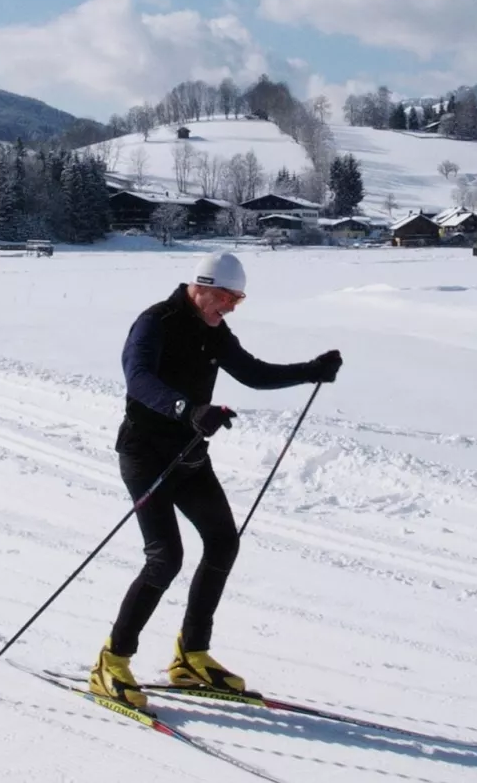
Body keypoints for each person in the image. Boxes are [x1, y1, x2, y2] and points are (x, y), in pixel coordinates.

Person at [91, 251, 342, 710]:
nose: (231, 307)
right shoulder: (156, 322)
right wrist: (189, 409)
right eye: (227, 297)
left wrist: (310, 371)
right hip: (144, 454)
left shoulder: (214, 330)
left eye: (238, 300)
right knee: (166, 558)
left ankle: (191, 655)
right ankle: (112, 660)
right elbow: (138, 378)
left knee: (224, 542)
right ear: (202, 286)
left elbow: (251, 372)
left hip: (187, 453)